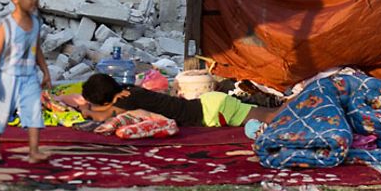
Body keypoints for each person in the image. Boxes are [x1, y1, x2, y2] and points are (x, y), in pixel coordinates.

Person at [0, 0, 52, 164]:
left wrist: (45, 71)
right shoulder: (7, 25)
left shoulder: (36, 23)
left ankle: (33, 151)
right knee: (1, 113)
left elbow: (37, 49)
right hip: (8, 76)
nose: (35, 1)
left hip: (29, 76)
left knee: (33, 112)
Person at [79, 73, 278, 128]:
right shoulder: (128, 93)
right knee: (269, 115)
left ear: (105, 102)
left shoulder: (125, 102)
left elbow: (104, 116)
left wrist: (85, 111)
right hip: (210, 105)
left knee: (273, 117)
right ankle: (300, 105)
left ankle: (304, 104)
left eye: (93, 103)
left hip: (211, 110)